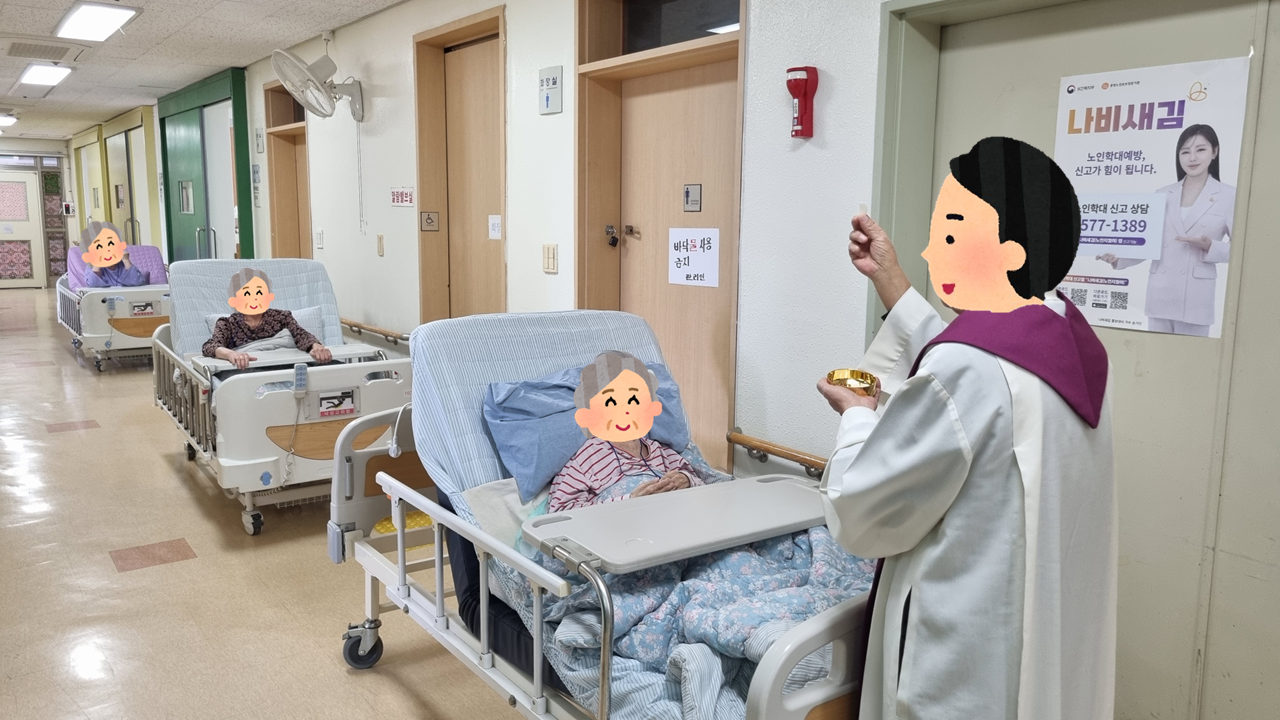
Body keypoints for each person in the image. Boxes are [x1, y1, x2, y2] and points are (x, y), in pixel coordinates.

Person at [818, 137, 1117, 720]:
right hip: (1040, 632)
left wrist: (857, 415)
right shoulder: (1066, 341)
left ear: (1012, 252)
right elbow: (977, 379)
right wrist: (890, 279)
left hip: (964, 664)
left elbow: (861, 509)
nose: (932, 250)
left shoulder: (968, 369)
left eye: (952, 234)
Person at [1100, 124, 1235, 336]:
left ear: (1214, 152)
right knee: (1157, 353)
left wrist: (1210, 246)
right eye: (1185, 152)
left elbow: (1242, 249)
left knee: (1191, 354)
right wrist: (1118, 258)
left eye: (1200, 150)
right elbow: (1148, 241)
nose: (1192, 158)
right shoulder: (1162, 193)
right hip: (1160, 292)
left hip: (1196, 296)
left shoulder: (1229, 195)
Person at [548, 351, 701, 512]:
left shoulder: (659, 450)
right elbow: (560, 511)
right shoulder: (590, 455)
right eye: (611, 401)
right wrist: (629, 501)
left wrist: (686, 480)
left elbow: (704, 486)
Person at [202, 268, 333, 369]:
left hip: (283, 368)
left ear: (268, 296)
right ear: (234, 300)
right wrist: (232, 354)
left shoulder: (281, 317)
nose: (254, 298)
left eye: (259, 292)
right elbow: (210, 346)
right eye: (247, 293)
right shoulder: (228, 324)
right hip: (249, 371)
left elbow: (301, 335)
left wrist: (316, 347)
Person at [79, 221, 149, 287]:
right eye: (99, 246)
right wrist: (97, 263)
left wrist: (126, 261)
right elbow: (91, 284)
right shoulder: (92, 265)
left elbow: (138, 281)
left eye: (111, 244)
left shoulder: (123, 264)